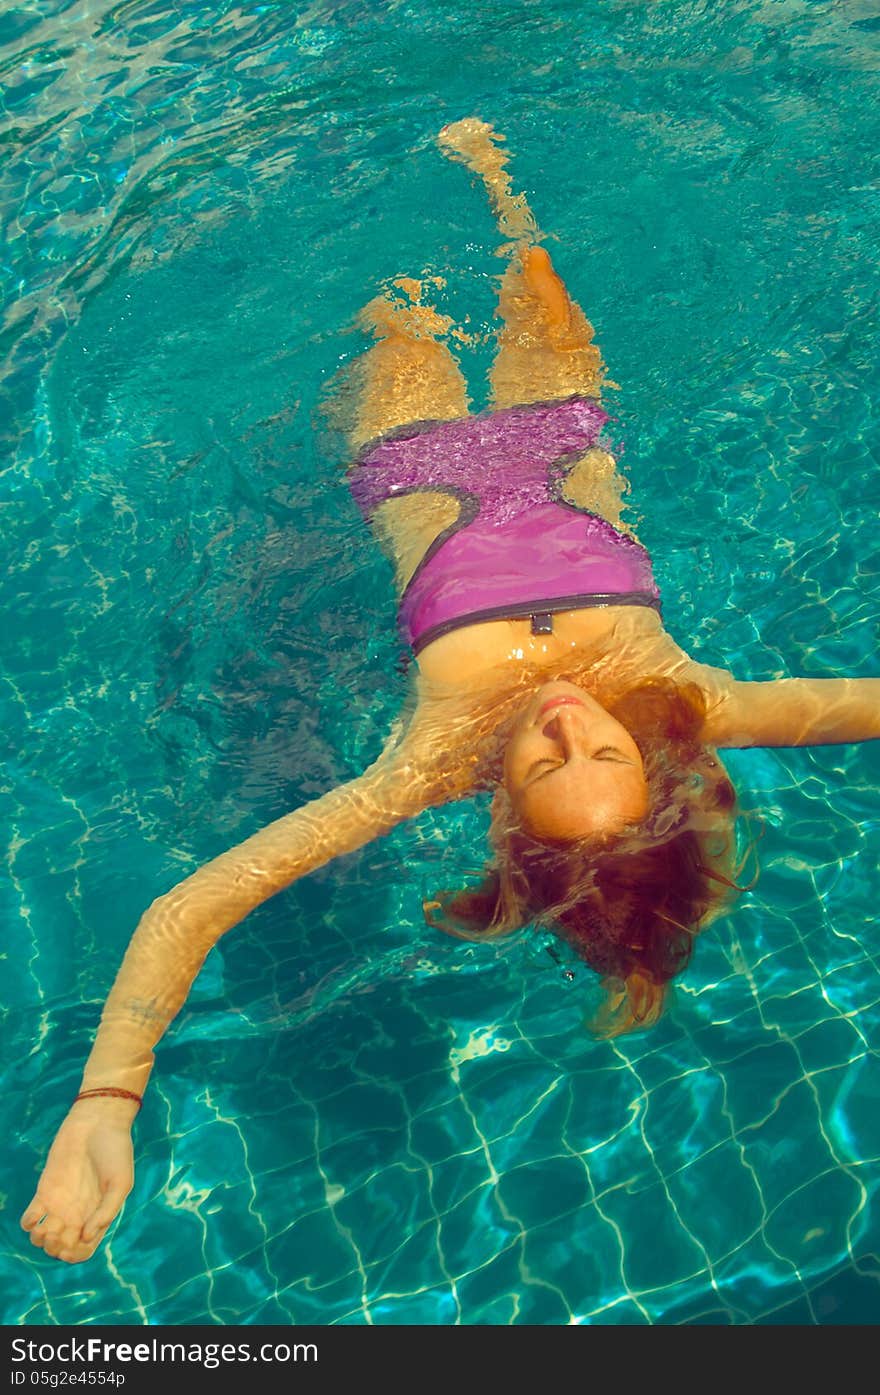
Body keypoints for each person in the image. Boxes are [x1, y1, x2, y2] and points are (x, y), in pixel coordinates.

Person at [22, 118, 880, 1265]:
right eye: (602, 755)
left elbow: (192, 907)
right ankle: (491, 170)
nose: (569, 726)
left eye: (541, 765)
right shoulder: (689, 700)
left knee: (398, 302)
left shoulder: (424, 764)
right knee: (525, 263)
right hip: (563, 440)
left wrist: (106, 1103)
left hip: (415, 460)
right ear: (651, 767)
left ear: (500, 805)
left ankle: (348, 152)